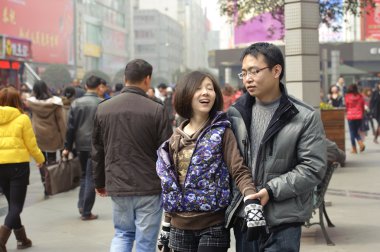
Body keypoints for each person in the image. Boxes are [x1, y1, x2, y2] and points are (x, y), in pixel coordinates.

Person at [226, 42, 327, 252]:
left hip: (283, 220)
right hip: (245, 217)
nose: (248, 79)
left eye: (254, 71)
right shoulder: (235, 114)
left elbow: (313, 168)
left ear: (276, 71)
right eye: (243, 73)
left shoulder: (304, 117)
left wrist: (271, 190)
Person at [156, 71, 263, 252]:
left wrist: (252, 200)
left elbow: (238, 169)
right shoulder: (176, 138)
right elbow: (172, 185)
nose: (205, 93)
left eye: (210, 88)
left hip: (213, 225)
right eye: (198, 88)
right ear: (186, 94)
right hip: (179, 227)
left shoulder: (222, 132)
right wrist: (166, 225)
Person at [92, 59, 173, 252]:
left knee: (122, 234)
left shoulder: (103, 108)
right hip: (149, 186)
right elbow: (167, 151)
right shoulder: (156, 109)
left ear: (124, 78)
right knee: (145, 242)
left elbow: (97, 150)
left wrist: (99, 182)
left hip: (118, 183)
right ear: (147, 79)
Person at [0, 87, 45, 251]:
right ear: (17, 101)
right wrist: (40, 159)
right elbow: (31, 144)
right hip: (18, 166)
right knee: (16, 206)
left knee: (12, 204)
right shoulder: (22, 118)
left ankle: (22, 239)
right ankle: (1, 240)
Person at [62, 75, 103, 221]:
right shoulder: (102, 103)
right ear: (99, 87)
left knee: (85, 174)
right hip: (96, 145)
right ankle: (86, 211)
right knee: (92, 176)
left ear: (85, 86)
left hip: (80, 144)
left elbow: (71, 128)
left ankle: (81, 205)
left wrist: (67, 146)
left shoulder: (76, 103)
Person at [26, 80, 66, 197]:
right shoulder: (55, 103)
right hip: (52, 135)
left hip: (37, 135)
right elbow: (61, 121)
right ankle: (51, 185)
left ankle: (45, 185)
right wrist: (64, 139)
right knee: (52, 161)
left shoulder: (32, 104)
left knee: (41, 162)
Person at [345, 83, 366, 153]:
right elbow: (363, 106)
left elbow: (347, 106)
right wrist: (362, 113)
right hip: (359, 116)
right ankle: (361, 143)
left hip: (350, 116)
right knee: (356, 131)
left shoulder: (347, 96)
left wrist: (346, 113)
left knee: (352, 132)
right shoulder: (360, 96)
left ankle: (354, 149)